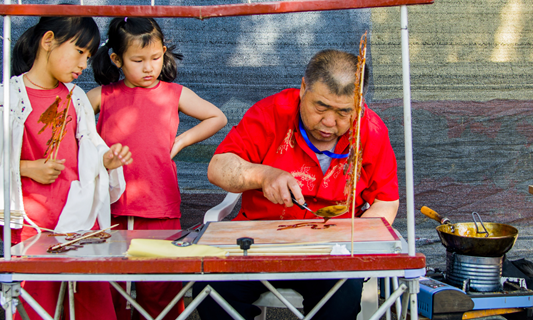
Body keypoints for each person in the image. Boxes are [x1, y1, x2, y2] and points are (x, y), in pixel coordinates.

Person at [194, 49, 399, 320]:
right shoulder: (272, 112)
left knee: (343, 295)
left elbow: (386, 201)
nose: (329, 122)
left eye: (344, 112)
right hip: (259, 243)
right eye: (320, 107)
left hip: (333, 250)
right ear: (303, 88)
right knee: (211, 287)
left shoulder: (371, 130)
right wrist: (263, 175)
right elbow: (218, 168)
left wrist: (352, 241)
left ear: (359, 104)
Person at [0, 15, 133, 320]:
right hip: (32, 224)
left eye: (89, 56)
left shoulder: (76, 97)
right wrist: (27, 168)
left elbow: (90, 150)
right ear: (48, 41)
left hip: (79, 220)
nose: (83, 64)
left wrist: (107, 161)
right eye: (79, 51)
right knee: (36, 304)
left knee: (92, 306)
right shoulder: (4, 100)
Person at [88, 17, 228, 320]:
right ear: (116, 59)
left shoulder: (174, 93)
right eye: (138, 60)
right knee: (108, 289)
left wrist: (181, 141)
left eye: (155, 58)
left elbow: (217, 117)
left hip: (160, 208)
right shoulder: (102, 96)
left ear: (164, 52)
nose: (149, 67)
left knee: (160, 291)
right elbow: (71, 128)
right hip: (110, 211)